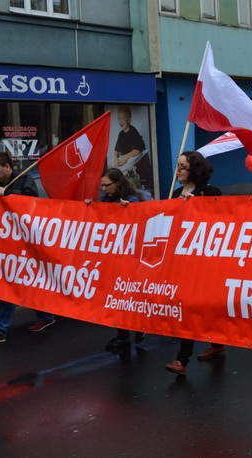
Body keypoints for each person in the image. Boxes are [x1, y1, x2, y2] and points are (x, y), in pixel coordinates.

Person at [0, 152, 55, 343]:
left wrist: (8, 195)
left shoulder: (25, 182)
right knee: (16, 282)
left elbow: (31, 205)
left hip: (27, 245)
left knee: (13, 283)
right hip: (8, 244)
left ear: (7, 167)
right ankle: (46, 316)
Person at [166, 151, 226, 375]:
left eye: (182, 167)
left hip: (205, 262)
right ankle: (217, 344)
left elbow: (223, 222)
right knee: (191, 306)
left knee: (193, 306)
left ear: (195, 169)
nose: (178, 171)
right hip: (182, 262)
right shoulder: (175, 194)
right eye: (178, 166)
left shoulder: (211, 192)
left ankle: (182, 360)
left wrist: (197, 207)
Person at [86, 168, 146, 352]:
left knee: (130, 295)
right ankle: (123, 333)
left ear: (118, 183)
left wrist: (130, 210)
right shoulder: (106, 200)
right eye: (102, 186)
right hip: (114, 257)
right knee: (117, 296)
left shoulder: (132, 200)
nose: (104, 189)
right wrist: (90, 208)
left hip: (130, 256)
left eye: (107, 185)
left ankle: (139, 326)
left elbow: (141, 222)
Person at [114, 106, 153, 192]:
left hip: (139, 164)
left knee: (139, 182)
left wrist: (124, 158)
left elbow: (137, 150)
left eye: (123, 118)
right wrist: (116, 159)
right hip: (128, 164)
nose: (120, 121)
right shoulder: (121, 134)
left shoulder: (133, 132)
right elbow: (116, 150)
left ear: (129, 119)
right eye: (119, 118)